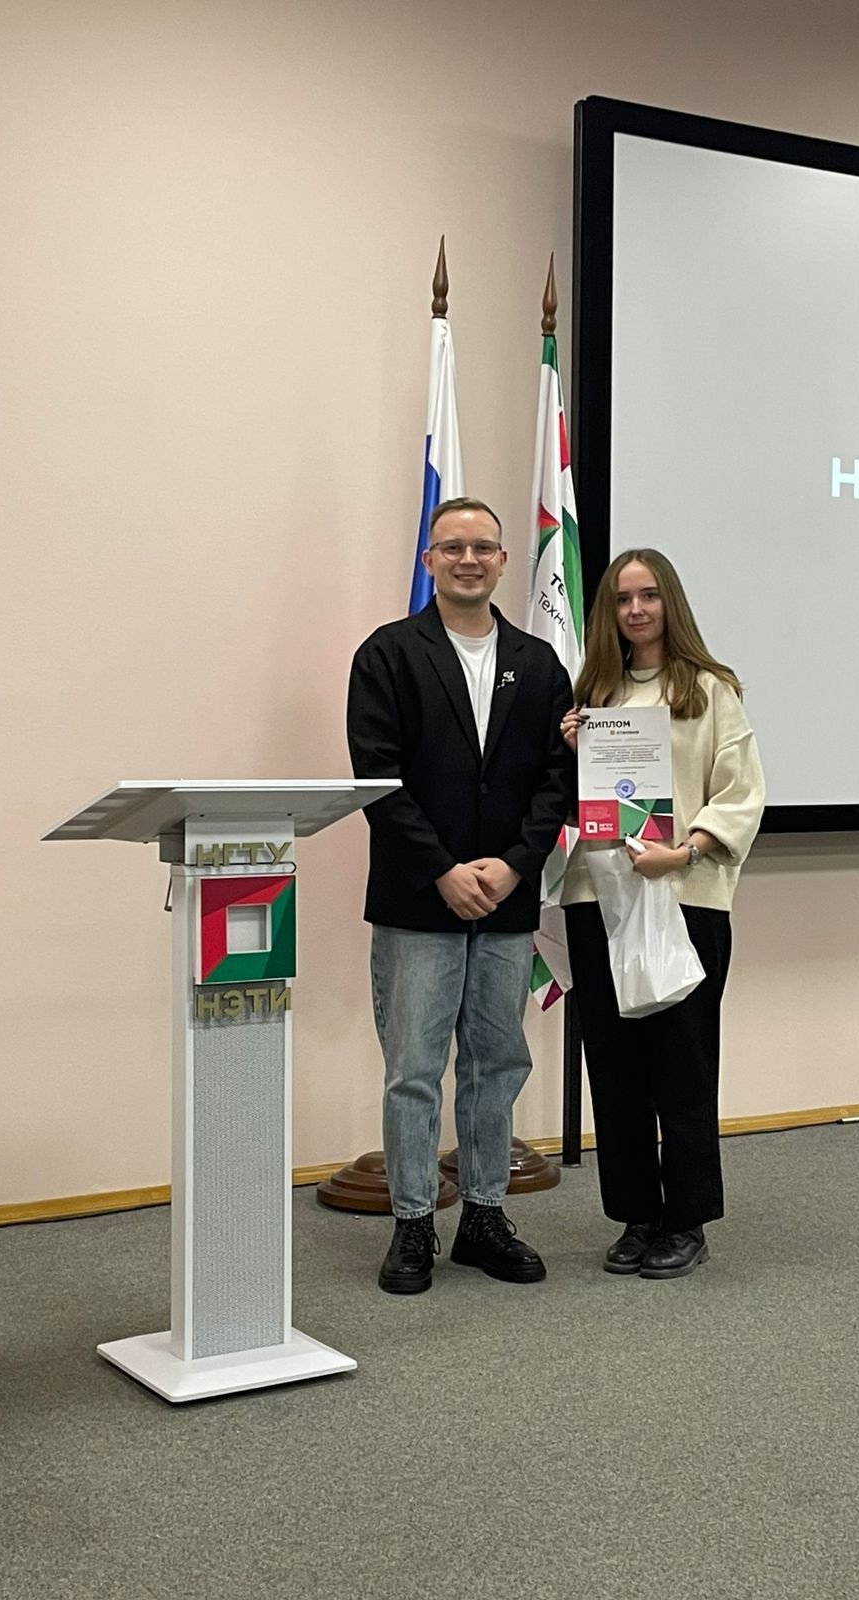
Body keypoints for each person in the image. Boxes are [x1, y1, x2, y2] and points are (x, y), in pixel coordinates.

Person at [348, 497, 574, 1294]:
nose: (468, 560)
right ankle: (414, 1221)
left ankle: (483, 1215)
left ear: (505, 562)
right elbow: (376, 778)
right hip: (419, 897)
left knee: (496, 1061)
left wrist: (513, 866)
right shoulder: (387, 653)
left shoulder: (539, 664)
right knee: (414, 1067)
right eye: (452, 547)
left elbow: (558, 780)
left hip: (507, 898)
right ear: (430, 560)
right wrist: (444, 870)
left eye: (483, 547)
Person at [560, 549, 765, 1279]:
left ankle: (686, 1221)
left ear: (669, 603)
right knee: (614, 1067)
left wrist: (683, 852)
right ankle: (636, 1215)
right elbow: (574, 804)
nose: (636, 610)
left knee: (682, 1066)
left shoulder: (709, 690)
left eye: (648, 596)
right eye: (622, 599)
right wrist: (573, 752)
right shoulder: (594, 694)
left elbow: (741, 791)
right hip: (600, 898)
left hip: (684, 897)